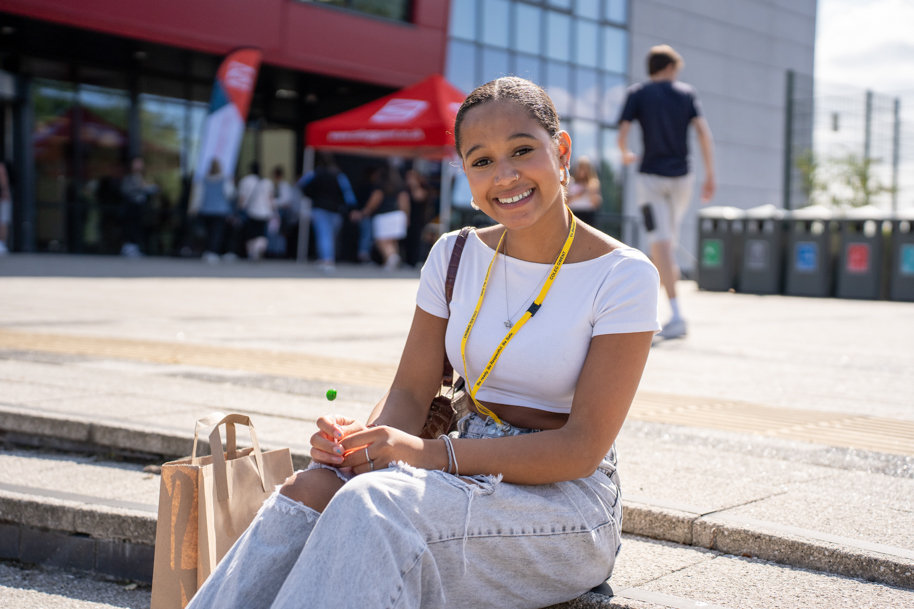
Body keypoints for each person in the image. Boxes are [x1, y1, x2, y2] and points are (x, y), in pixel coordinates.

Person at [186, 76, 659, 609]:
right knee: (310, 491)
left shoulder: (622, 275)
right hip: (453, 462)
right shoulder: (453, 256)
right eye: (481, 161)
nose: (505, 176)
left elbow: (581, 448)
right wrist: (359, 445)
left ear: (562, 150)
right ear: (465, 173)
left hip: (564, 505)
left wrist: (426, 454)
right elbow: (411, 394)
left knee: (374, 505)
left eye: (523, 150)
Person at [618, 44, 716, 339]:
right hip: (683, 176)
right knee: (665, 247)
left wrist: (625, 152)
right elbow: (702, 132)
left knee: (661, 246)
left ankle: (675, 316)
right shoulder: (686, 93)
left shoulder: (638, 93)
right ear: (670, 68)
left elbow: (622, 135)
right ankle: (661, 312)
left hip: (650, 176)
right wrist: (711, 175)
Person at [299, 153, 357, 272]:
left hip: (321, 208)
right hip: (335, 209)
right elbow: (348, 194)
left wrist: (313, 195)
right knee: (329, 235)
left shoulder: (315, 173)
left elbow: (301, 185)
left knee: (324, 235)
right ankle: (327, 259)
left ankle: (326, 259)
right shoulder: (338, 175)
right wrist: (352, 208)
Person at [361, 165, 409, 271]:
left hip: (384, 215)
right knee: (392, 242)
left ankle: (392, 258)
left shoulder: (380, 185)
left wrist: (365, 211)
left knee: (381, 241)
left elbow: (375, 200)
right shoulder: (399, 186)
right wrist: (406, 216)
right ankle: (389, 263)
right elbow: (404, 202)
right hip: (398, 215)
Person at [190, 158, 235, 262]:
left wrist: (194, 208)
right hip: (220, 210)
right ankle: (213, 252)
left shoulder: (203, 179)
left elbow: (198, 196)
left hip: (206, 210)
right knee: (217, 232)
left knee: (208, 232)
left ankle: (209, 251)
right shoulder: (225, 179)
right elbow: (230, 194)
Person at [120, 157, 159, 257]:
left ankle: (135, 247)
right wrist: (142, 189)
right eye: (136, 163)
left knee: (139, 227)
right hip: (131, 207)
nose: (139, 165)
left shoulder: (142, 177)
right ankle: (129, 247)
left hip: (140, 208)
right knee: (131, 227)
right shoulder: (128, 178)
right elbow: (126, 191)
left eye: (140, 163)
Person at [237, 162, 275, 261]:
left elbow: (242, 198)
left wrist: (239, 210)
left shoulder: (245, 181)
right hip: (265, 211)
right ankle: (259, 248)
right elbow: (270, 198)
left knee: (251, 234)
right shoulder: (267, 182)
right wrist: (273, 211)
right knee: (262, 233)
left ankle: (252, 252)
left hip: (251, 211)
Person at [404, 168, 430, 267]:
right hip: (408, 219)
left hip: (419, 219)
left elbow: (418, 197)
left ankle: (417, 261)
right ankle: (408, 261)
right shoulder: (405, 190)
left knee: (418, 241)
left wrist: (414, 185)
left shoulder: (423, 188)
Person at [567, 156, 602, 227]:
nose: (582, 171)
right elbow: (565, 201)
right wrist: (577, 195)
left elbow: (596, 204)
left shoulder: (593, 183)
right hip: (573, 213)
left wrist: (590, 191)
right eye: (580, 167)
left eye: (584, 168)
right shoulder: (571, 181)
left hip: (588, 215)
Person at [0, 161, 10, 256]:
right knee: (3, 221)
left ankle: (1, 243)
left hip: (2, 198)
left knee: (3, 220)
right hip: (3, 198)